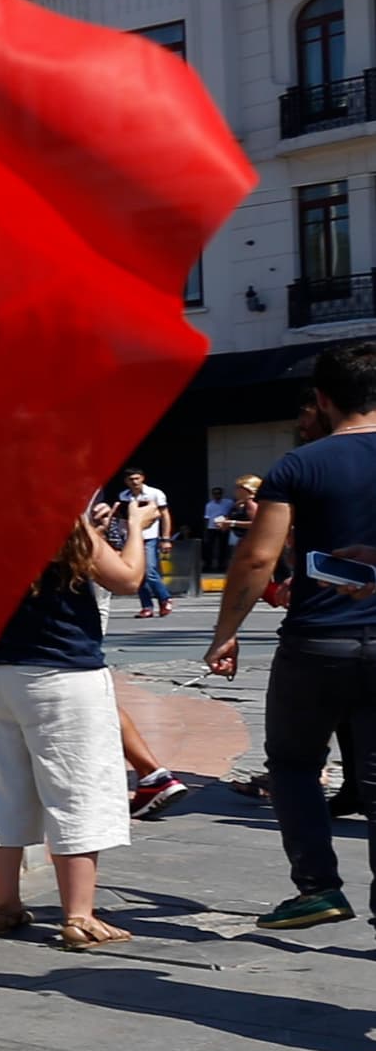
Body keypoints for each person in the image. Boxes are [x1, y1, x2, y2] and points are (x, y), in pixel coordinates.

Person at [207, 340, 376, 931]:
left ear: (325, 400)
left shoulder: (299, 466)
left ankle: (319, 887)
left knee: (295, 765)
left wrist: (225, 633)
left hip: (316, 643)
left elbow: (257, 559)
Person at [0, 501, 145, 946]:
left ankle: (4, 904)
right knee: (78, 792)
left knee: (3, 792)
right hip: (62, 673)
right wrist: (136, 528)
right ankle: (79, 916)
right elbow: (127, 578)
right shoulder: (56, 516)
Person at [126, 471, 174, 618]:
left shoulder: (155, 493)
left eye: (137, 478)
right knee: (138, 573)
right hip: (132, 538)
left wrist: (166, 538)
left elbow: (165, 515)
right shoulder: (124, 496)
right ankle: (147, 606)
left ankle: (165, 598)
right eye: (131, 479)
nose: (134, 482)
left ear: (142, 478)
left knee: (150, 570)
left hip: (150, 537)